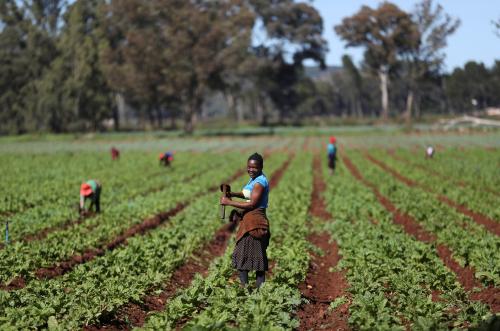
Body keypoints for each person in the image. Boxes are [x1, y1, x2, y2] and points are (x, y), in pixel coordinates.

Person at [220, 153, 270, 288]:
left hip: (254, 222)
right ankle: (251, 289)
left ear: (260, 167)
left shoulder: (259, 182)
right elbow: (246, 194)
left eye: (254, 167)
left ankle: (250, 289)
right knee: (250, 256)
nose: (251, 170)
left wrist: (229, 202)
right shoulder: (253, 179)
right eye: (249, 167)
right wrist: (233, 194)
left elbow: (252, 203)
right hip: (250, 221)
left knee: (250, 256)